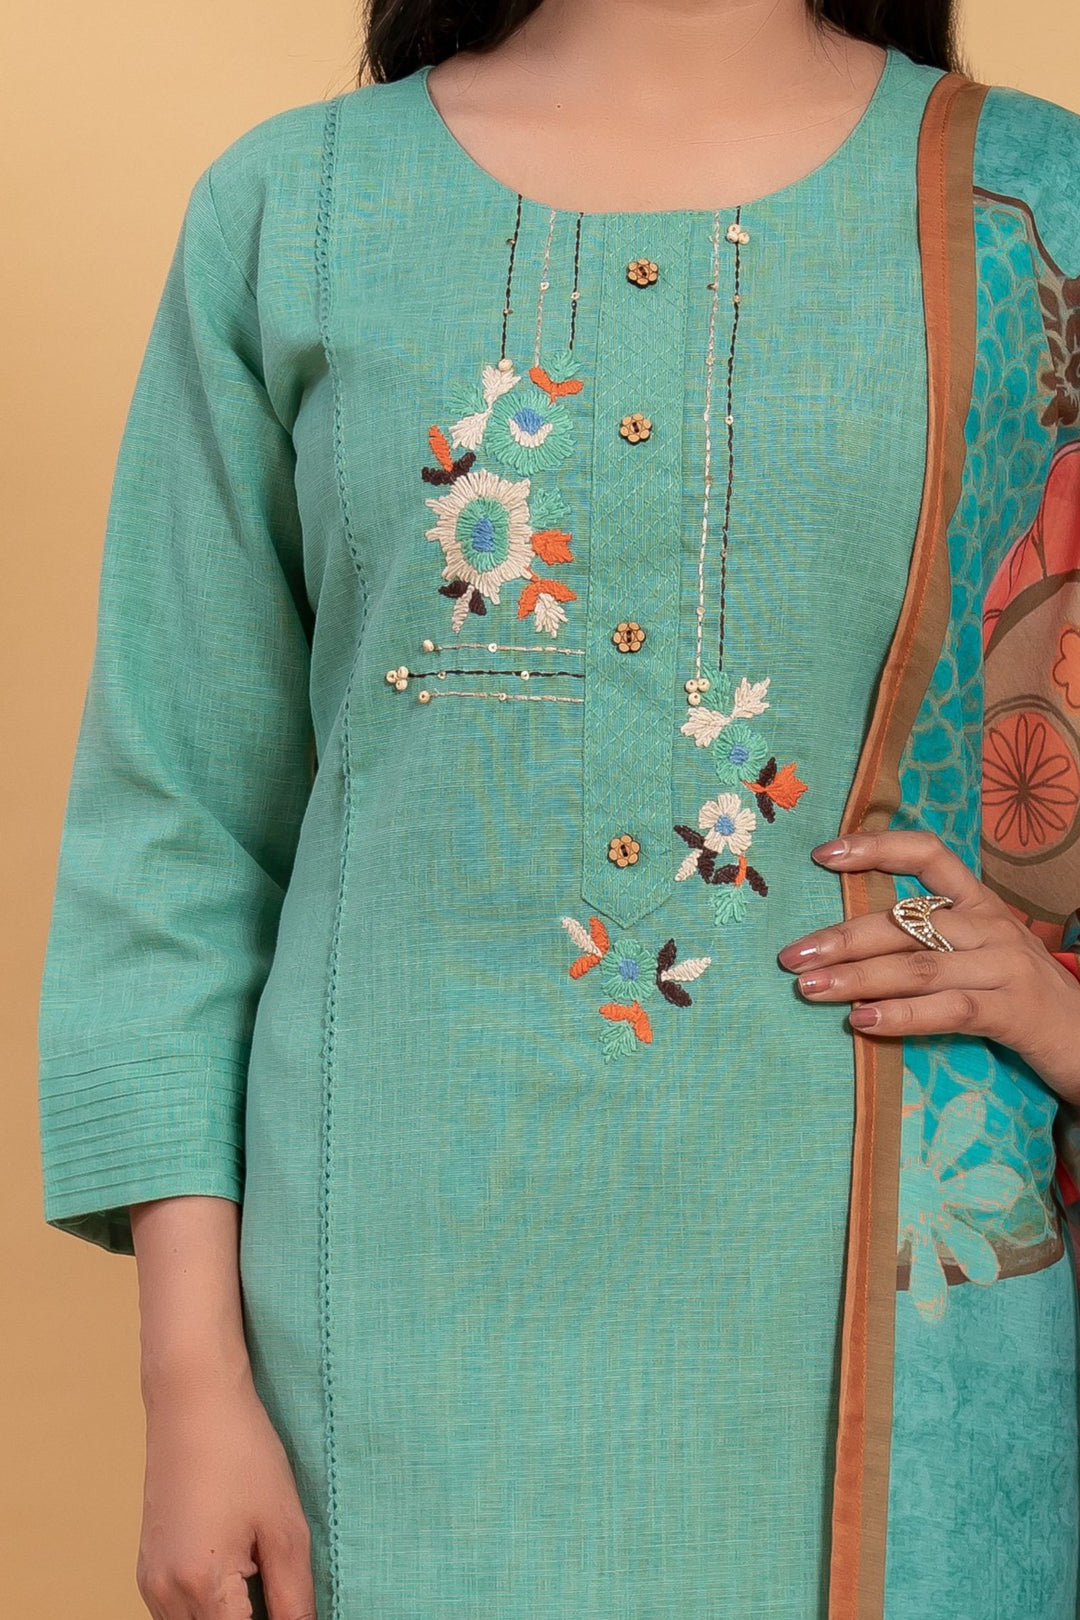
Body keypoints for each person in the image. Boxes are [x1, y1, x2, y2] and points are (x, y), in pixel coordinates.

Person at [36, 0, 1080, 1616]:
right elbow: (175, 823)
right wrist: (192, 1384)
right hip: (381, 1345)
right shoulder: (296, 207)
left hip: (892, 1337)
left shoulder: (1030, 203)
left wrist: (1060, 1011)